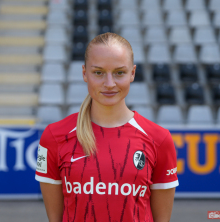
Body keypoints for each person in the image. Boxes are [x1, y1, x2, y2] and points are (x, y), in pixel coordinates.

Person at [35, 32, 179, 222]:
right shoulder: (54, 136)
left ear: (133, 73)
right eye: (98, 72)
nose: (109, 84)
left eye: (119, 72)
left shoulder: (159, 139)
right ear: (85, 73)